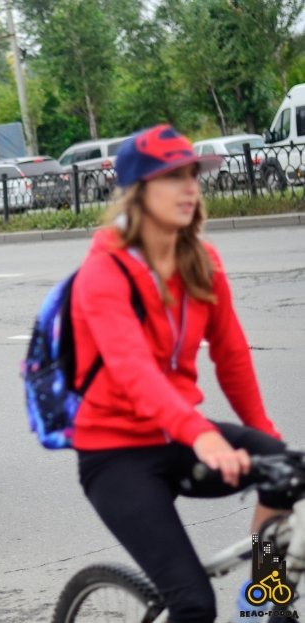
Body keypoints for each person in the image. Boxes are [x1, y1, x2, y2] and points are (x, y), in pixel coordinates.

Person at [69, 124, 288, 622]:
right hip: (115, 455)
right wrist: (203, 436)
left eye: (192, 174)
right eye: (172, 176)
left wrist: (262, 435)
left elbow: (230, 354)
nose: (189, 186)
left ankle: (266, 598)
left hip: (178, 436)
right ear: (138, 192)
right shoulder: (104, 273)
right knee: (192, 604)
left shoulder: (202, 261)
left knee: (285, 469)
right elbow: (132, 371)